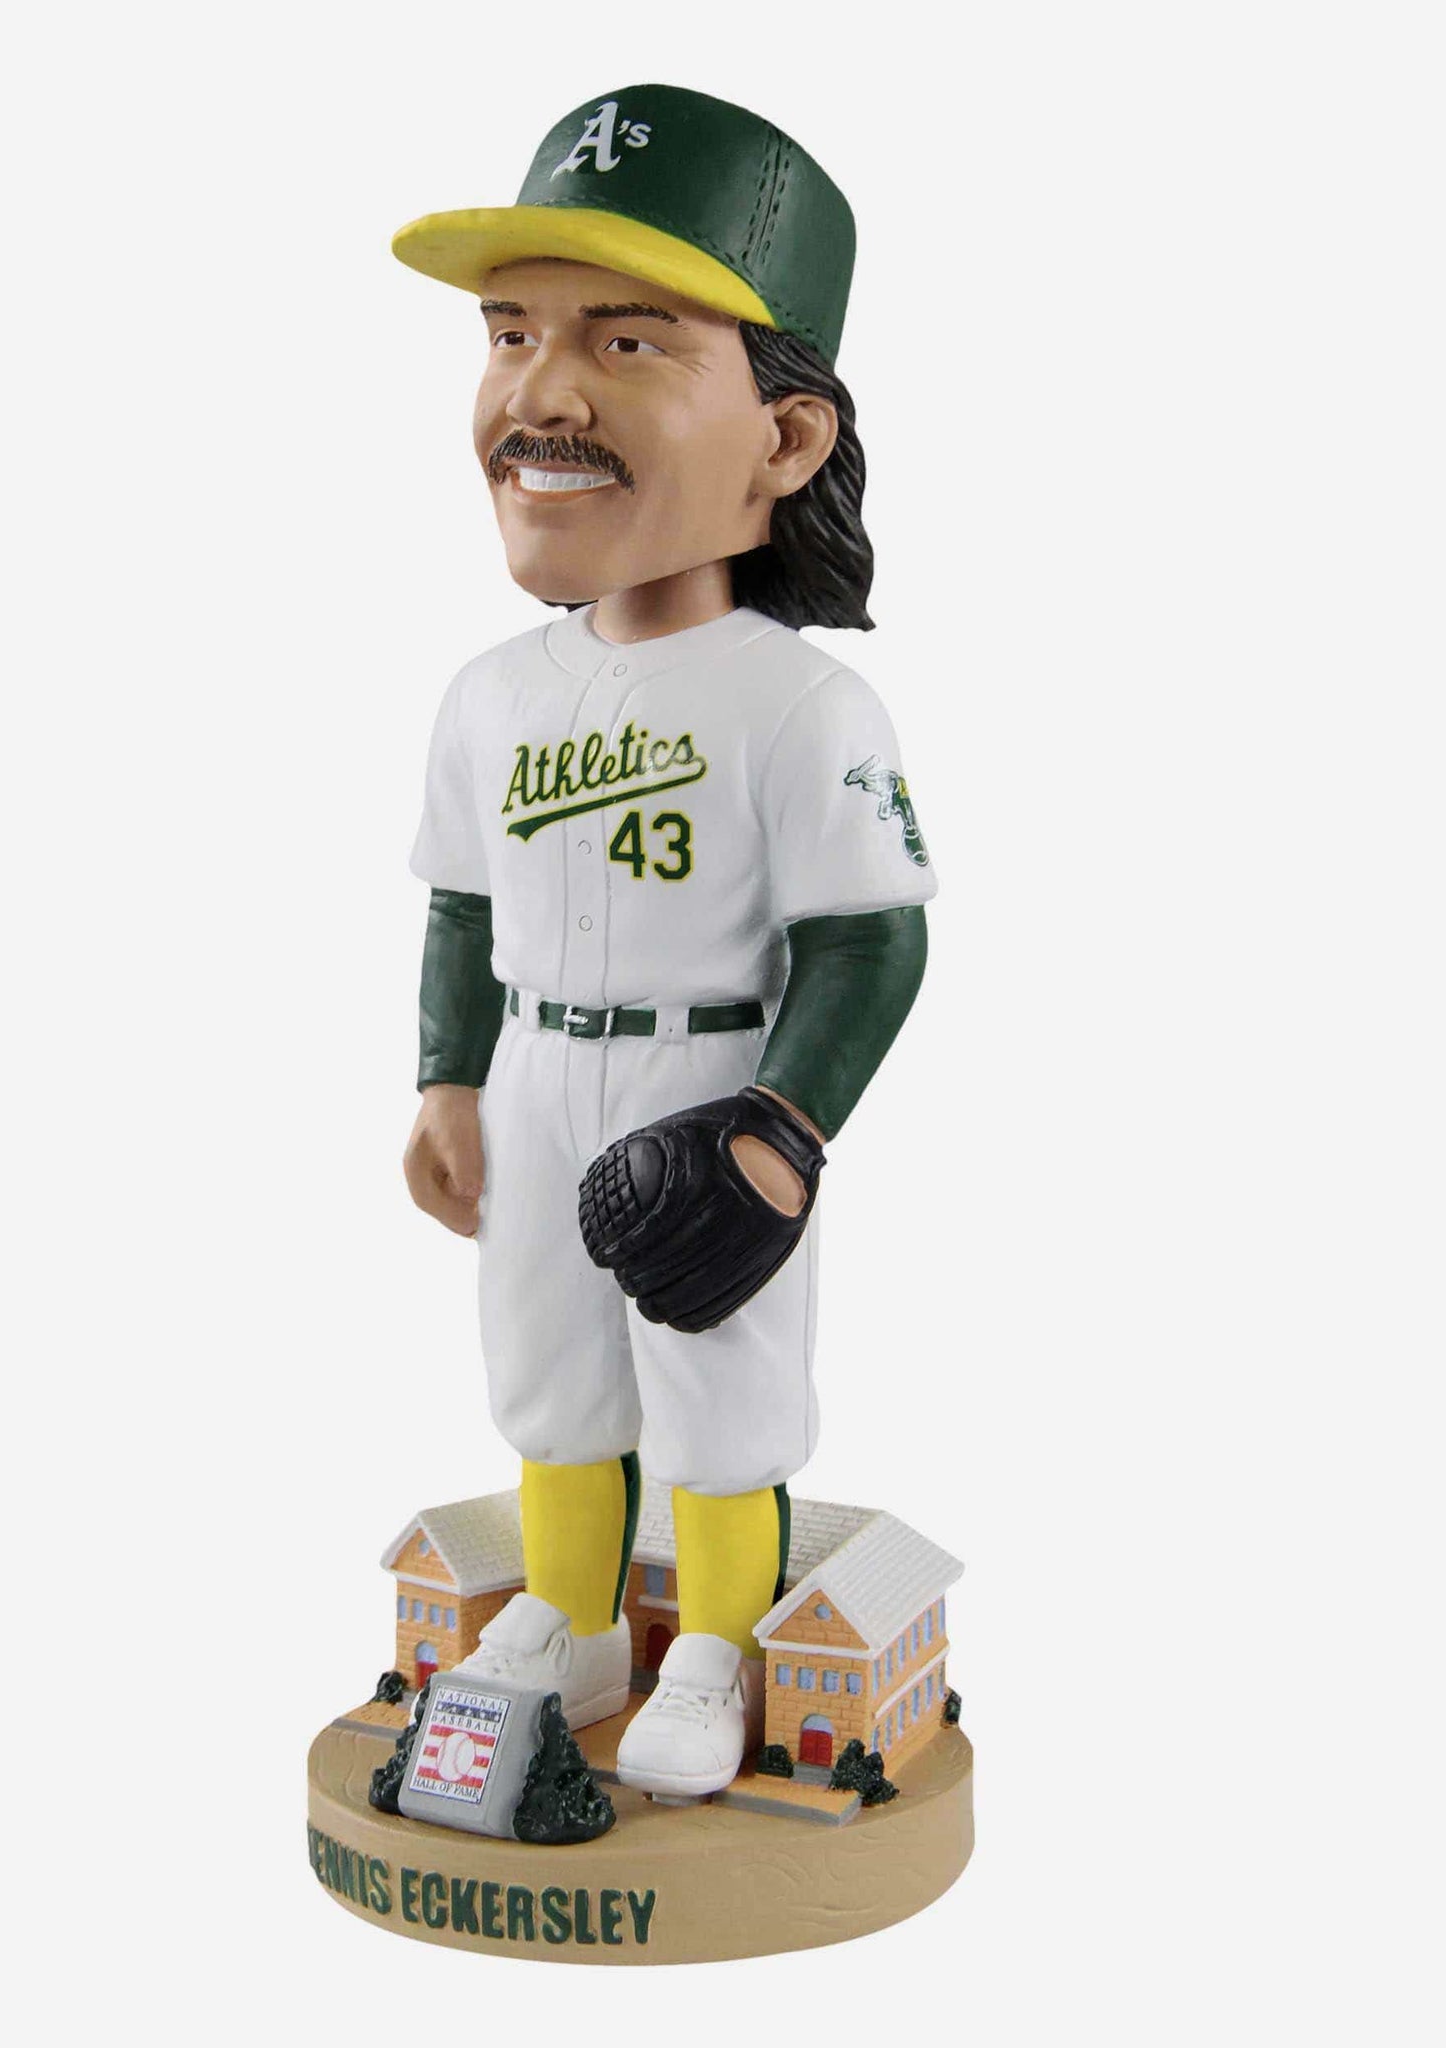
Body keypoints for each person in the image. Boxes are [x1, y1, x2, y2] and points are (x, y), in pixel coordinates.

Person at [395, 85, 936, 1797]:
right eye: (511, 333)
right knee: (549, 1372)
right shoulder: (490, 694)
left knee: (717, 1378)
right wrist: (447, 1081)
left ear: (787, 439)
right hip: (540, 1064)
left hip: (709, 1069)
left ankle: (711, 1645)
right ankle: (569, 1616)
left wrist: (784, 1127)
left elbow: (872, 941)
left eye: (626, 341)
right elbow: (463, 903)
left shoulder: (800, 703)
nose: (542, 392)